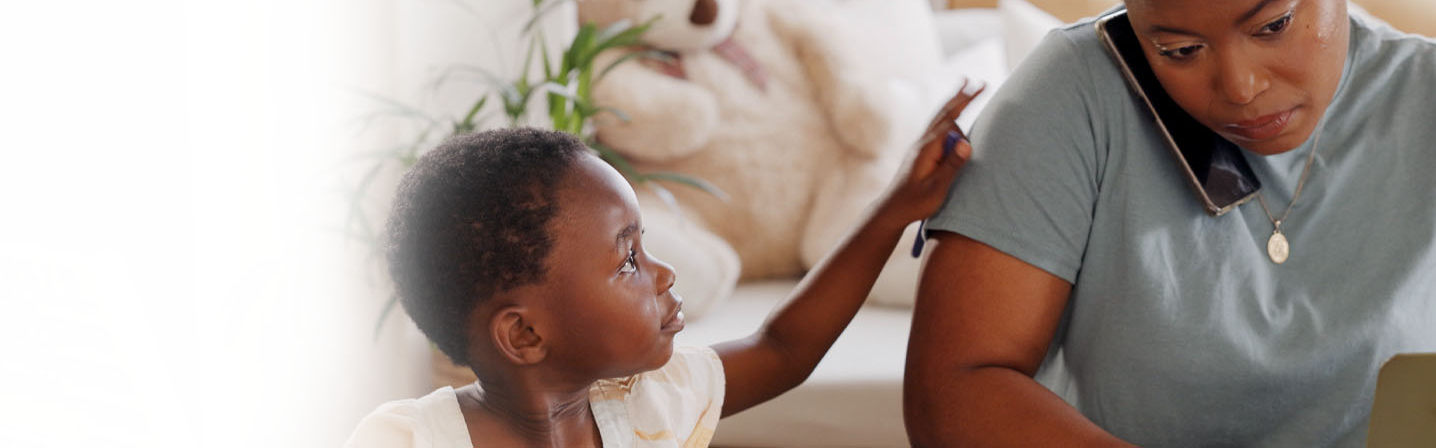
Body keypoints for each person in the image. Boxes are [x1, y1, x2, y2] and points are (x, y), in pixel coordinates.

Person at [904, 0, 1436, 446]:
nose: (1239, 87)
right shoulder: (1073, 95)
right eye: (1179, 50)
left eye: (1273, 25)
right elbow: (950, 391)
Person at [346, 85, 981, 447]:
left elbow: (784, 348)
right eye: (628, 260)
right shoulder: (408, 442)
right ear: (525, 335)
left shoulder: (651, 406)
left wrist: (898, 205)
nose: (663, 273)